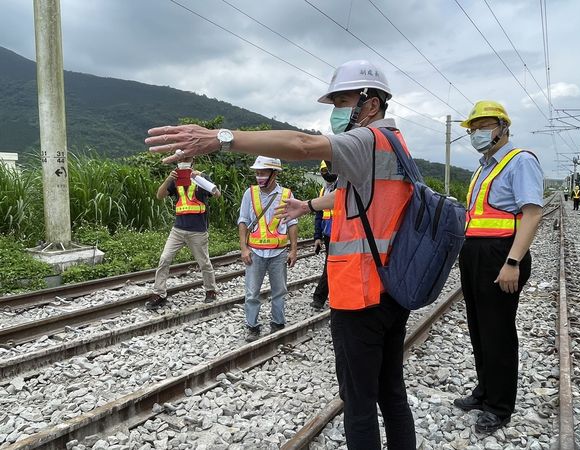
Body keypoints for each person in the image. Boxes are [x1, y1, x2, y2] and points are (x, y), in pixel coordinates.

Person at [146, 59, 417, 449]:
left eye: (342, 101)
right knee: (391, 390)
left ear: (369, 103)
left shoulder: (367, 140)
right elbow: (351, 196)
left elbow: (302, 145)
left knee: (358, 402)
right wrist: (308, 206)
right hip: (391, 288)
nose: (337, 113)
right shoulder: (396, 144)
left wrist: (221, 138)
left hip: (360, 293)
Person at [454, 100, 543, 433]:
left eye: (485, 125)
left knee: (498, 332)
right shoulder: (482, 168)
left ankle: (500, 406)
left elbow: (532, 214)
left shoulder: (519, 161)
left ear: (503, 127)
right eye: (474, 128)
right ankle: (484, 391)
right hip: (475, 252)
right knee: (479, 328)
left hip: (501, 254)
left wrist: (512, 262)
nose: (478, 132)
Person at [237, 156, 298, 342]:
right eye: (257, 173)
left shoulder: (286, 195)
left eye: (262, 173)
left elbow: (292, 222)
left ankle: (277, 324)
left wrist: (293, 249)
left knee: (279, 291)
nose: (259, 177)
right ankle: (252, 326)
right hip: (255, 252)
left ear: (274, 173)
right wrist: (243, 248)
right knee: (252, 292)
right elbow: (243, 221)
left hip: (278, 253)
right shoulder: (250, 193)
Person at [147, 156, 220, 309]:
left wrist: (201, 179)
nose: (183, 162)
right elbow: (159, 195)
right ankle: (159, 293)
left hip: (198, 231)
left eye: (187, 159)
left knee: (204, 263)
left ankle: (211, 291)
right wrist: (168, 179)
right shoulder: (175, 179)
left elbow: (217, 194)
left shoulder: (201, 177)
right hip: (178, 229)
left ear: (193, 161)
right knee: (164, 258)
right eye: (181, 159)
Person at [311, 160, 337, 309]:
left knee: (331, 264)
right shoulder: (323, 191)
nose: (326, 173)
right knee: (331, 264)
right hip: (328, 234)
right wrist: (317, 237)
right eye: (323, 171)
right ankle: (321, 297)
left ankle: (319, 297)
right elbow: (319, 216)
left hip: (342, 234)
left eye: (329, 170)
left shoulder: (342, 187)